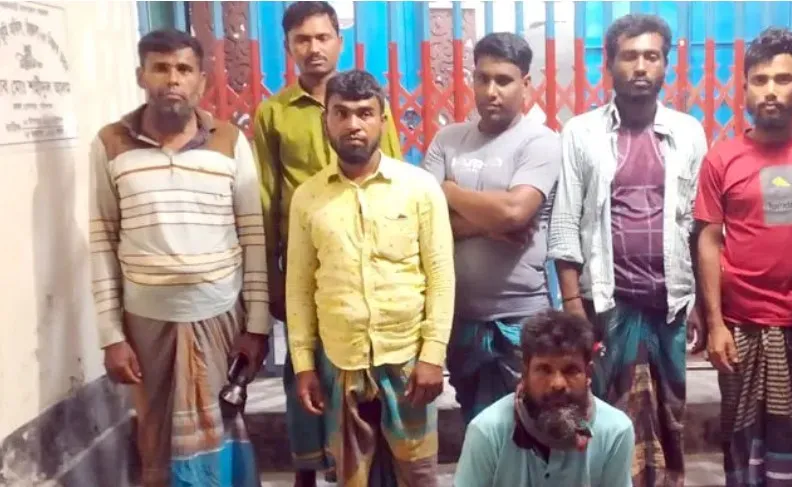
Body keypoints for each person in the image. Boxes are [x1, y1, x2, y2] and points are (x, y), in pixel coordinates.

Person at [89, 29, 269, 486]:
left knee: (223, 424)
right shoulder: (111, 143)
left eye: (184, 69)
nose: (173, 79)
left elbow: (253, 236)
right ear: (141, 75)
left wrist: (257, 326)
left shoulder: (229, 141)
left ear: (201, 81)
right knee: (156, 437)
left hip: (219, 317)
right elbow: (102, 239)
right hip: (146, 324)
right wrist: (111, 336)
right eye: (161, 68)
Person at [547, 13, 706, 486]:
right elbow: (565, 221)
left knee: (669, 415)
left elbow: (696, 224)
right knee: (606, 416)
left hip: (669, 305)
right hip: (608, 306)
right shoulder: (582, 133)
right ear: (610, 64)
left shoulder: (688, 132)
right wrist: (573, 306)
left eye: (651, 56)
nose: (640, 66)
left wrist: (699, 301)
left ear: (665, 65)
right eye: (629, 56)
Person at [693, 28, 792, 487]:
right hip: (742, 323)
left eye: (782, 80)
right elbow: (709, 240)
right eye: (760, 80)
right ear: (744, 88)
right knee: (743, 436)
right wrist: (715, 323)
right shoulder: (721, 159)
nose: (770, 90)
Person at [251, 3, 403, 484]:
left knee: (360, 370)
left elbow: (394, 175)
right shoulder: (273, 114)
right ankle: (306, 471)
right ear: (288, 47)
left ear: (339, 41)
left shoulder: (370, 102)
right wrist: (273, 279)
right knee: (305, 368)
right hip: (307, 265)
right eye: (302, 39)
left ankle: (357, 463)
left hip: (364, 264)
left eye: (322, 37)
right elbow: (267, 198)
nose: (313, 48)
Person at [285, 69, 454, 487]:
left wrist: (433, 355)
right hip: (340, 358)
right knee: (351, 477)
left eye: (364, 113)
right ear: (326, 120)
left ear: (383, 119)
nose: (353, 125)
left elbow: (440, 275)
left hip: (407, 359)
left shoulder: (419, 188)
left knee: (417, 475)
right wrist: (304, 365)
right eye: (341, 113)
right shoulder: (308, 197)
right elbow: (299, 288)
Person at [420, 32, 561, 424]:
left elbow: (514, 212)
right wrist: (487, 225)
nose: (491, 91)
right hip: (460, 319)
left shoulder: (540, 142)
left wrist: (449, 191)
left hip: (522, 318)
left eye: (503, 80)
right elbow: (424, 222)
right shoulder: (448, 140)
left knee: (530, 426)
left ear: (525, 84)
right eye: (482, 79)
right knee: (477, 427)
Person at [454, 310, 635, 487]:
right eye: (544, 370)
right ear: (525, 373)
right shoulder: (488, 431)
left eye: (570, 370)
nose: (557, 384)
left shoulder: (615, 431)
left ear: (588, 374)